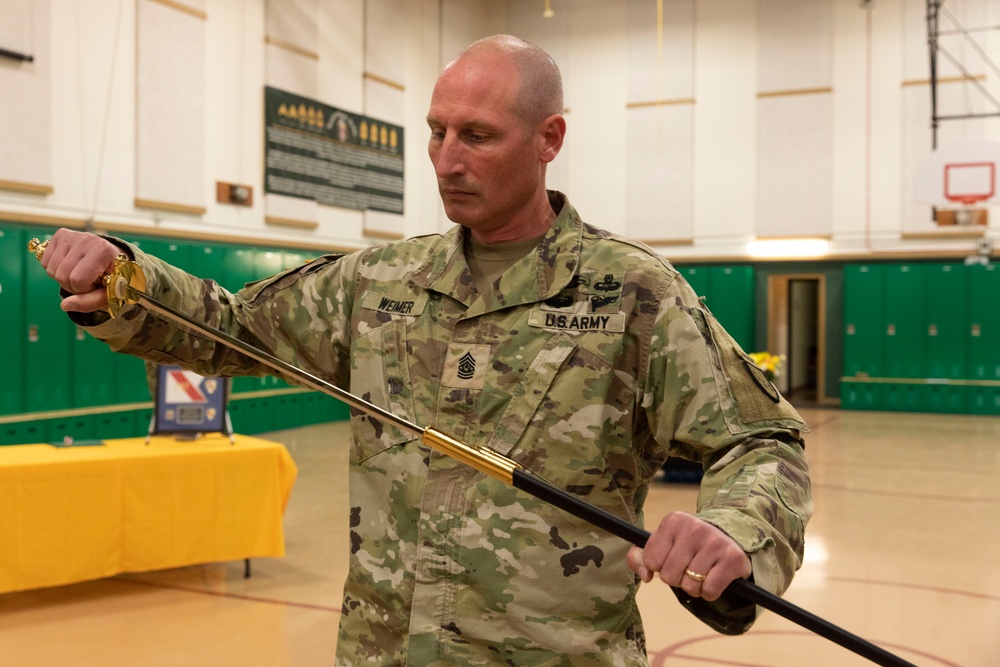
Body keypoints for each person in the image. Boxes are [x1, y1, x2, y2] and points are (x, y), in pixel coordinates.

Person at [39, 35, 811, 667]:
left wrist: (734, 529)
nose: (445, 160)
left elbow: (762, 438)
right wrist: (123, 280)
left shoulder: (633, 293)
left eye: (477, 136)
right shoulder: (380, 281)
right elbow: (232, 327)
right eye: (436, 132)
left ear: (551, 139)